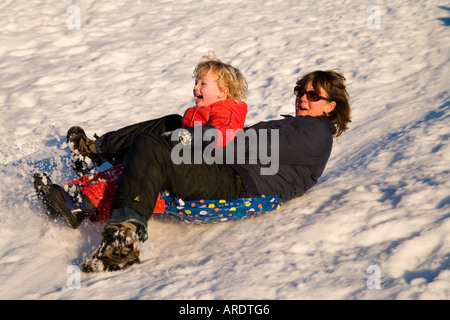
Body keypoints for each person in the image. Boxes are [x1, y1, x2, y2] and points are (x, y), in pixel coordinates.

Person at [79, 69, 352, 272]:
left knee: (153, 145)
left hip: (234, 181)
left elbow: (246, 146)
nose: (303, 98)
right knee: (172, 123)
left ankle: (125, 239)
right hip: (227, 170)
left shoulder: (313, 133)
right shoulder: (302, 126)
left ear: (330, 106)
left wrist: (184, 139)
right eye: (300, 91)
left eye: (313, 95)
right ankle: (97, 151)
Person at [34, 52, 248, 228]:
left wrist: (183, 137)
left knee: (140, 168)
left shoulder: (229, 109)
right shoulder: (202, 110)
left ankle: (79, 204)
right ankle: (72, 189)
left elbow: (222, 135)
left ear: (223, 92)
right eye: (195, 82)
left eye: (203, 83)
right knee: (154, 140)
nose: (196, 87)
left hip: (199, 170)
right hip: (184, 159)